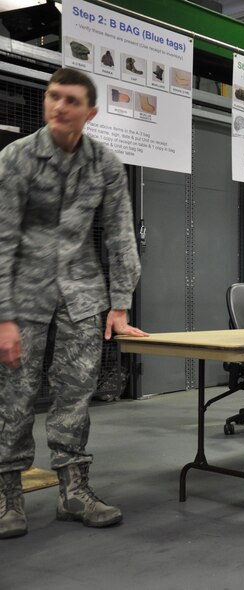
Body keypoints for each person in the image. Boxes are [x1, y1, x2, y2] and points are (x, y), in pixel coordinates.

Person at [0, 68, 147, 539]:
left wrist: (120, 305)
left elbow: (122, 236)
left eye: (70, 100)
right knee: (14, 400)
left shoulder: (104, 164)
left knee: (75, 398)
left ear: (90, 112)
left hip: (83, 296)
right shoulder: (17, 157)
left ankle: (74, 492)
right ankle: (8, 498)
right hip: (23, 296)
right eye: (52, 96)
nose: (58, 106)